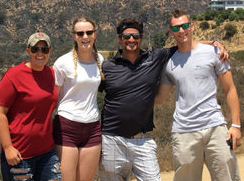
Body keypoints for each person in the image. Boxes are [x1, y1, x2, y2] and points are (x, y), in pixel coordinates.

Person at [98, 18, 228, 181]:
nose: (131, 40)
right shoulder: (108, 66)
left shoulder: (155, 57)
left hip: (142, 140)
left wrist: (214, 43)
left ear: (141, 37)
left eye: (136, 36)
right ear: (120, 38)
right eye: (127, 36)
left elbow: (185, 46)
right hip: (111, 140)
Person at [155, 10, 241, 181]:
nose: (181, 31)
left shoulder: (213, 52)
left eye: (185, 26)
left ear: (192, 26)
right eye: (176, 28)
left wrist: (236, 125)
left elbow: (230, 89)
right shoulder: (169, 63)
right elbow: (160, 99)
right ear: (171, 31)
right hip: (184, 133)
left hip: (216, 128)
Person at [0, 32, 62, 181]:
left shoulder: (52, 74)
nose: (40, 53)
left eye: (44, 49)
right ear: (28, 50)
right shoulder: (14, 75)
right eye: (35, 49)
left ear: (50, 51)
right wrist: (8, 148)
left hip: (48, 152)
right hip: (19, 155)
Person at [52, 17, 104, 181]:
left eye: (89, 32)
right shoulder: (62, 63)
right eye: (80, 33)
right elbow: (53, 97)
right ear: (74, 36)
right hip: (67, 126)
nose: (85, 37)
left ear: (95, 34)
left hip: (93, 127)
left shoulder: (100, 60)